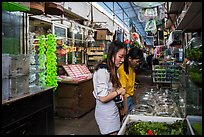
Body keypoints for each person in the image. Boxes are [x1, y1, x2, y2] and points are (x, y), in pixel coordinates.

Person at [92, 41, 127, 135]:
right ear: (112, 54)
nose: (123, 60)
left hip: (112, 111)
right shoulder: (103, 71)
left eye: (124, 57)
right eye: (120, 56)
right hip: (106, 114)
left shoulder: (112, 69)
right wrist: (118, 91)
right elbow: (103, 98)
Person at [117, 47, 143, 114]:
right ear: (130, 59)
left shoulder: (131, 68)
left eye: (139, 62)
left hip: (130, 97)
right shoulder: (122, 70)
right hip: (126, 99)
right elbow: (123, 92)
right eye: (136, 61)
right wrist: (125, 108)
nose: (138, 64)